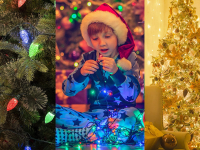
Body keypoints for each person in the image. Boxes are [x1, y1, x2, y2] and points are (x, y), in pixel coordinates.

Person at [56, 3, 142, 147]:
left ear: (117, 36)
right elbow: (68, 90)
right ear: (89, 40)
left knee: (131, 119)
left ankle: (78, 135)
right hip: (93, 117)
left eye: (107, 36)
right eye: (95, 39)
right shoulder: (88, 58)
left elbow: (131, 95)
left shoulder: (128, 58)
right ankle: (95, 132)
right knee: (53, 112)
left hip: (123, 114)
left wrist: (116, 73)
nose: (102, 43)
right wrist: (81, 73)